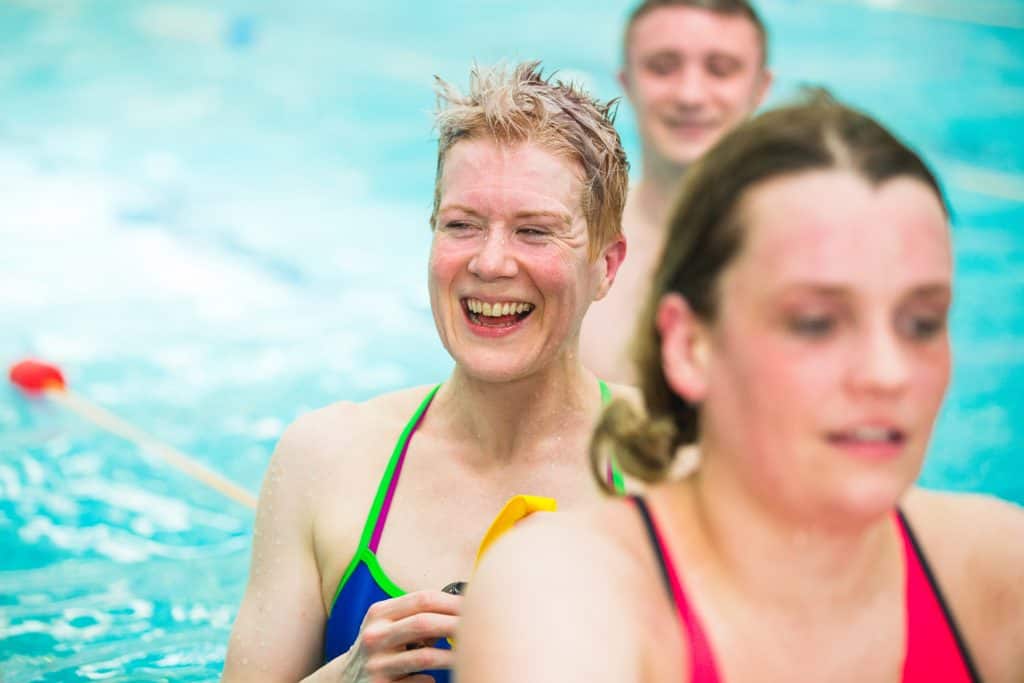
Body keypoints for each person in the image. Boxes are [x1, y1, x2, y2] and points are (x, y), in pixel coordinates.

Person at [456, 92, 1024, 682]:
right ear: (689, 346)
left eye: (921, 323)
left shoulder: (997, 571)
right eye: (816, 323)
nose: (888, 372)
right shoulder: (564, 595)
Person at [221, 61, 635, 682]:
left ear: (606, 265)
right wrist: (346, 677)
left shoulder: (684, 467)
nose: (490, 263)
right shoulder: (327, 461)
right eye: (462, 225)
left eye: (535, 231)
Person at [581, 0, 773, 383]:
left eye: (721, 70)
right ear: (627, 83)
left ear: (760, 88)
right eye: (662, 67)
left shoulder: (810, 245)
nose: (690, 95)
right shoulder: (572, 240)